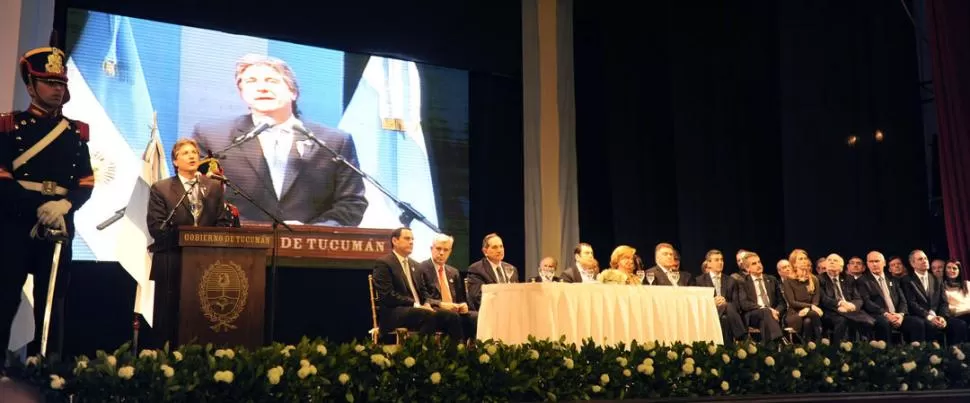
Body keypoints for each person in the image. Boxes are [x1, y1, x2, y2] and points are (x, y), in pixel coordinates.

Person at [192, 54, 367, 226]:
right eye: (251, 81)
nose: (262, 88)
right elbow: (198, 196)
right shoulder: (213, 137)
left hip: (310, 249)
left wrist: (310, 233)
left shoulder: (333, 141)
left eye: (272, 81)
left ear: (293, 92)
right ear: (242, 92)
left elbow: (351, 204)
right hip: (234, 247)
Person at [0, 45, 95, 359]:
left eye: (61, 83)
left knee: (51, 306)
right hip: (14, 225)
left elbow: (85, 181)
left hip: (58, 226)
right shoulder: (9, 126)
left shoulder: (75, 133)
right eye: (50, 82)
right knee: (4, 300)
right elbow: (2, 176)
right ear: (31, 86)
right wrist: (36, 207)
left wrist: (65, 206)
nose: (58, 88)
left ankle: (45, 372)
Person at [146, 138, 232, 348]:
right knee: (170, 320)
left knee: (201, 318)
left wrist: (206, 243)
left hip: (207, 264)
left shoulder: (213, 187)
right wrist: (186, 238)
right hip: (171, 262)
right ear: (175, 162)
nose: (192, 156)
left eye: (194, 152)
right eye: (185, 153)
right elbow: (157, 227)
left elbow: (222, 222)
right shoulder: (162, 189)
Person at [372, 228, 461, 340]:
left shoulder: (415, 265)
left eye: (412, 239)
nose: (411, 242)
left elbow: (423, 294)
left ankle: (454, 354)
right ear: (395, 241)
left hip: (418, 309)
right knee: (427, 315)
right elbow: (388, 295)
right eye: (407, 238)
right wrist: (416, 305)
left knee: (451, 316)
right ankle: (420, 353)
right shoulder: (384, 263)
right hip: (394, 312)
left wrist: (428, 304)